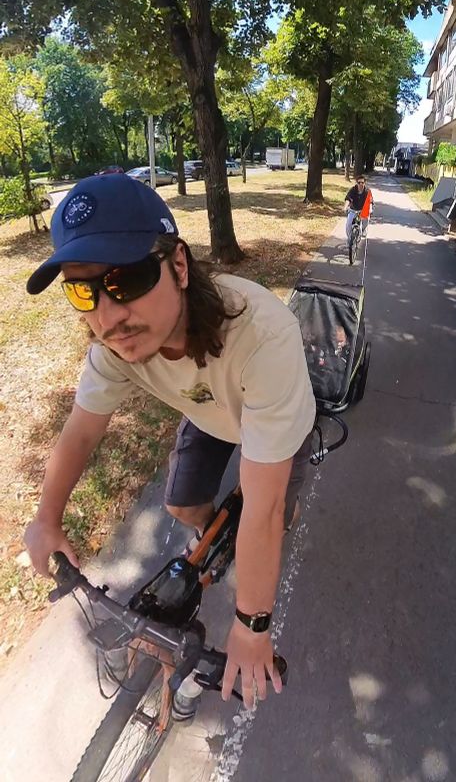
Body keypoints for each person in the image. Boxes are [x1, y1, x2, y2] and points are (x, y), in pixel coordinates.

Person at [23, 174, 316, 712]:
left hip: (270, 419)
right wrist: (46, 518)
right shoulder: (113, 346)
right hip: (209, 412)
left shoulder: (264, 336)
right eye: (82, 291)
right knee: (182, 504)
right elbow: (83, 429)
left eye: (127, 280)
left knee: (269, 511)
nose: (107, 317)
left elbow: (265, 502)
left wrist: (252, 624)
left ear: (178, 265)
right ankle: (218, 541)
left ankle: (245, 544)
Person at [344, 174, 373, 240]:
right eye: (359, 182)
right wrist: (345, 207)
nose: (360, 184)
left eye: (362, 182)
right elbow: (348, 198)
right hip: (353, 209)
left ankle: (363, 230)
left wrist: (370, 209)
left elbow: (370, 201)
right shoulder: (353, 190)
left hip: (362, 210)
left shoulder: (367, 191)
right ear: (356, 183)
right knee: (348, 224)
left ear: (364, 183)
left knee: (366, 218)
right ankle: (349, 239)